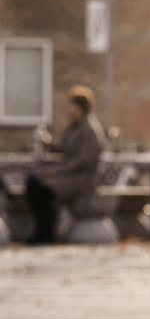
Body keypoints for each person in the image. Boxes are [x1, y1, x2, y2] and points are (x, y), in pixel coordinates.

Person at [26, 85, 105, 244]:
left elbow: (82, 162)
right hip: (70, 176)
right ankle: (43, 232)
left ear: (79, 107)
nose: (68, 109)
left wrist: (56, 171)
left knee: (40, 187)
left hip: (81, 181)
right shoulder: (75, 126)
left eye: (71, 105)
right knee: (34, 181)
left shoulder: (89, 129)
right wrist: (48, 144)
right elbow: (65, 149)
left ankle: (46, 234)